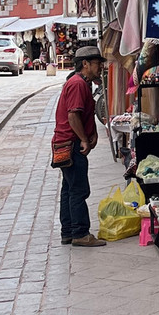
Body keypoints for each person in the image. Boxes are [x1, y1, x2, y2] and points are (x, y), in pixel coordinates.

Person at [53, 45, 106, 247]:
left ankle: (68, 232)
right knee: (78, 189)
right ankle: (80, 233)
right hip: (71, 143)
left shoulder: (79, 83)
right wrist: (84, 138)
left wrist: (90, 134)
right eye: (97, 63)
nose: (100, 67)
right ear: (85, 64)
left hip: (65, 142)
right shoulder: (78, 84)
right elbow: (73, 115)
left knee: (69, 188)